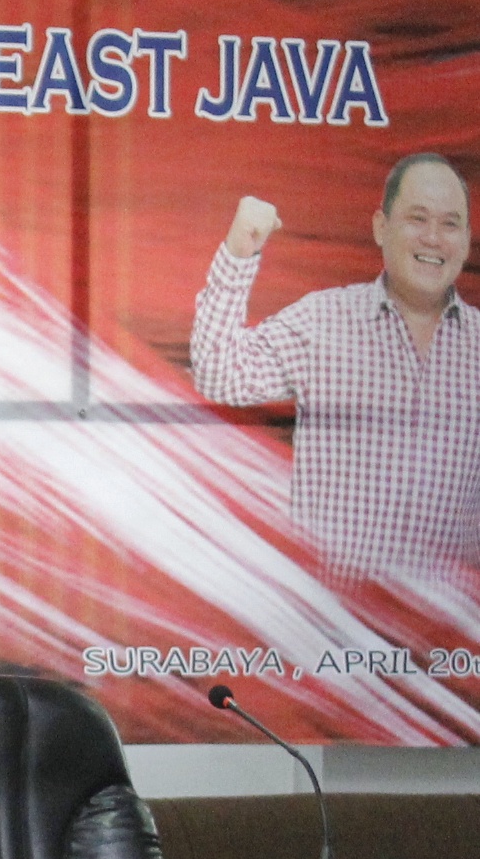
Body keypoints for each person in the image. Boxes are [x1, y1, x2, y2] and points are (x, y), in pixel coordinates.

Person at [192, 153, 480, 579]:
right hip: (334, 630)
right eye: (417, 218)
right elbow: (219, 375)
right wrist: (240, 251)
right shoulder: (322, 321)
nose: (433, 238)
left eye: (450, 223)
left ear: (468, 238)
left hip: (447, 636)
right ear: (381, 228)